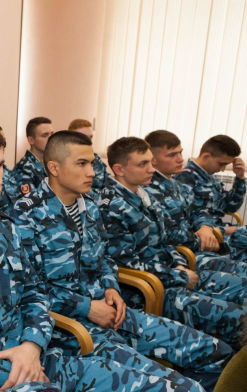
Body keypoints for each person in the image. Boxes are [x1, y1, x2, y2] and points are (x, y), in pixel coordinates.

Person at [0, 119, 206, 392]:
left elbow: (34, 294)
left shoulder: (7, 227)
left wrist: (32, 345)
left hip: (44, 360)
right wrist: (14, 369)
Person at [11, 131, 232, 392]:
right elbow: (28, 289)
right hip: (67, 329)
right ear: (54, 168)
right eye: (81, 164)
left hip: (112, 312)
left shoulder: (89, 206)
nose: (92, 172)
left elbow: (104, 257)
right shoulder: (26, 214)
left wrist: (111, 288)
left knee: (218, 353)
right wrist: (87, 307)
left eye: (92, 162)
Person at [98, 137, 247, 349]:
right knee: (238, 320)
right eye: (143, 164)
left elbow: (165, 240)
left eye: (150, 161)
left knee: (241, 296)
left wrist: (179, 265)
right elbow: (125, 263)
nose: (151, 169)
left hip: (170, 273)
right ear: (119, 169)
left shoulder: (142, 194)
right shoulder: (111, 206)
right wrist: (179, 275)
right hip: (148, 289)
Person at [145, 130, 247, 277]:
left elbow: (199, 211)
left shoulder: (178, 185)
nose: (181, 159)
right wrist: (207, 236)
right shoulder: (151, 190)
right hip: (184, 253)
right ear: (152, 159)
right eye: (172, 155)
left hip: (202, 241)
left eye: (180, 152)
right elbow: (166, 234)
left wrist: (205, 227)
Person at [175, 135, 247, 262]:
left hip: (220, 231)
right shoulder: (184, 178)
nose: (222, 169)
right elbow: (186, 220)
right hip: (208, 238)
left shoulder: (210, 177)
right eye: (222, 164)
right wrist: (229, 230)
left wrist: (240, 178)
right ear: (206, 156)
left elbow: (230, 206)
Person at [12, 116, 54, 194]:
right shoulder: (23, 169)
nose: (51, 139)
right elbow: (30, 199)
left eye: (52, 134)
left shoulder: (52, 163)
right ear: (31, 140)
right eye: (45, 135)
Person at [67, 119, 109, 193]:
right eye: (84, 137)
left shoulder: (97, 159)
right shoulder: (65, 160)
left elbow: (108, 184)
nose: (89, 141)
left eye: (90, 137)